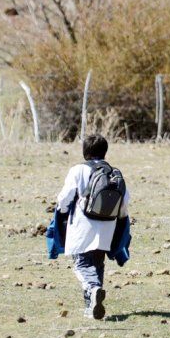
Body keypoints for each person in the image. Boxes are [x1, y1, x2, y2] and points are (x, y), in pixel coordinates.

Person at [51, 134, 131, 319]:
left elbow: (65, 197)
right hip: (107, 227)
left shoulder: (78, 170)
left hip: (82, 226)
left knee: (82, 264)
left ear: (85, 152)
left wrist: (61, 211)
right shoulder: (114, 172)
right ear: (105, 151)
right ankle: (91, 307)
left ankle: (94, 290)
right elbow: (125, 202)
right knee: (97, 264)